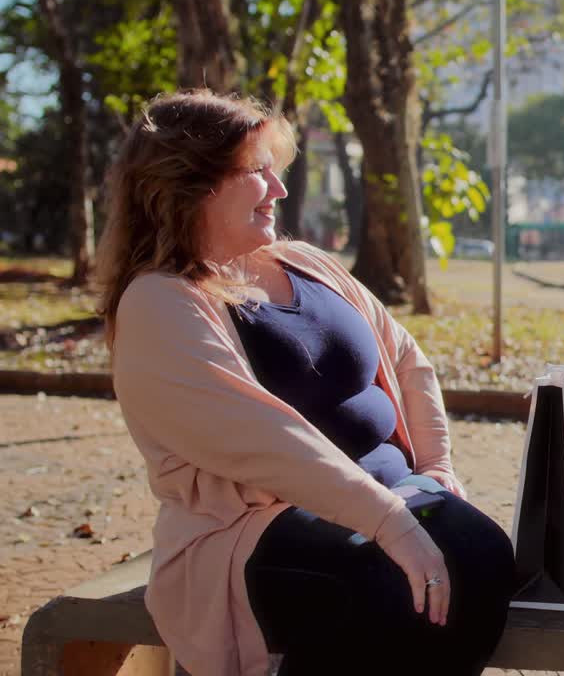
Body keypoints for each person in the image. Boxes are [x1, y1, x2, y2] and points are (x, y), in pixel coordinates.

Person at [97, 91, 516, 676]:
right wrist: (388, 522)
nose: (280, 189)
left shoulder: (306, 263)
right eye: (257, 171)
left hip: (397, 495)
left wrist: (438, 470)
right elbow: (262, 438)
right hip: (254, 529)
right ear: (191, 184)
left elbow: (406, 359)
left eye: (276, 169)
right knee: (386, 583)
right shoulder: (160, 302)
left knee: (486, 556)